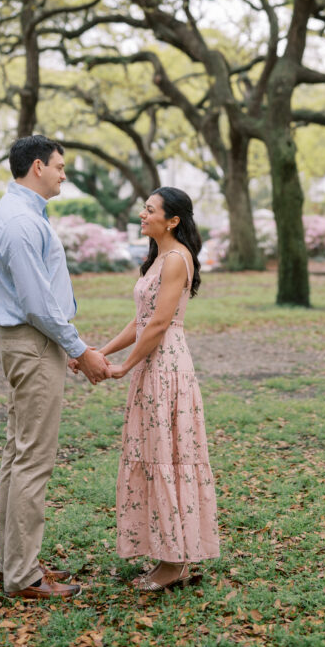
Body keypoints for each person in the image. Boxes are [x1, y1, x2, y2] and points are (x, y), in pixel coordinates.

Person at [0, 134, 109, 600]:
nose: (63, 174)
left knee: (18, 455)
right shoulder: (19, 220)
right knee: (32, 459)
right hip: (33, 344)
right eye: (59, 166)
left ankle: (16, 563)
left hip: (32, 343)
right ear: (37, 166)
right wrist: (79, 349)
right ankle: (22, 576)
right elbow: (37, 303)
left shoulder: (23, 212)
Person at [100, 187, 220, 592]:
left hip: (166, 365)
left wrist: (123, 368)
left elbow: (159, 324)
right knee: (154, 454)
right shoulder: (155, 260)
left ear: (172, 220)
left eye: (150, 210)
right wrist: (101, 352)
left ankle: (177, 561)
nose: (142, 214)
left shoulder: (175, 259)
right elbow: (140, 321)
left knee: (169, 457)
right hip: (151, 365)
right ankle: (167, 553)